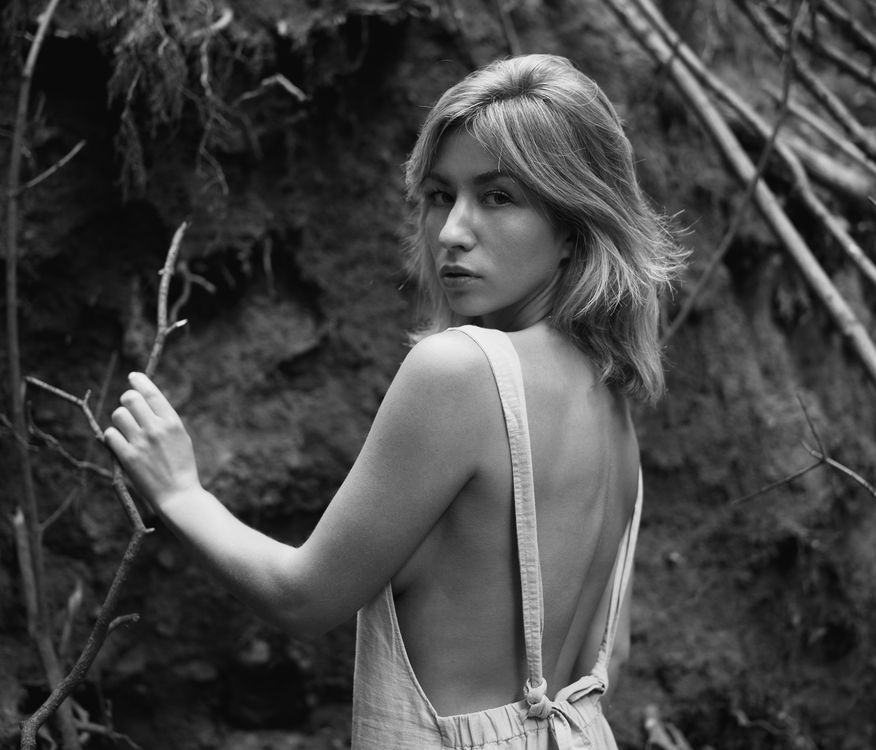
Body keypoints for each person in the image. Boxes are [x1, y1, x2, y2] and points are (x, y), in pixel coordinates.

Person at [105, 53, 685, 749]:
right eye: (440, 195)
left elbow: (304, 598)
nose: (453, 231)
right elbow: (612, 655)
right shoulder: (611, 402)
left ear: (573, 226)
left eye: (498, 197)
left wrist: (180, 493)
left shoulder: (460, 371)